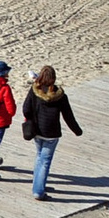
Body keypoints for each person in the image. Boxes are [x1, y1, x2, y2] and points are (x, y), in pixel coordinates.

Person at [22, 64, 82, 200]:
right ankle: (38, 191)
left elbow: (26, 109)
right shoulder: (60, 95)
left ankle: (38, 185)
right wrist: (77, 131)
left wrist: (31, 119)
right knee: (45, 161)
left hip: (36, 131)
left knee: (39, 158)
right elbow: (68, 116)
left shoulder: (34, 90)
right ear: (53, 78)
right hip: (52, 133)